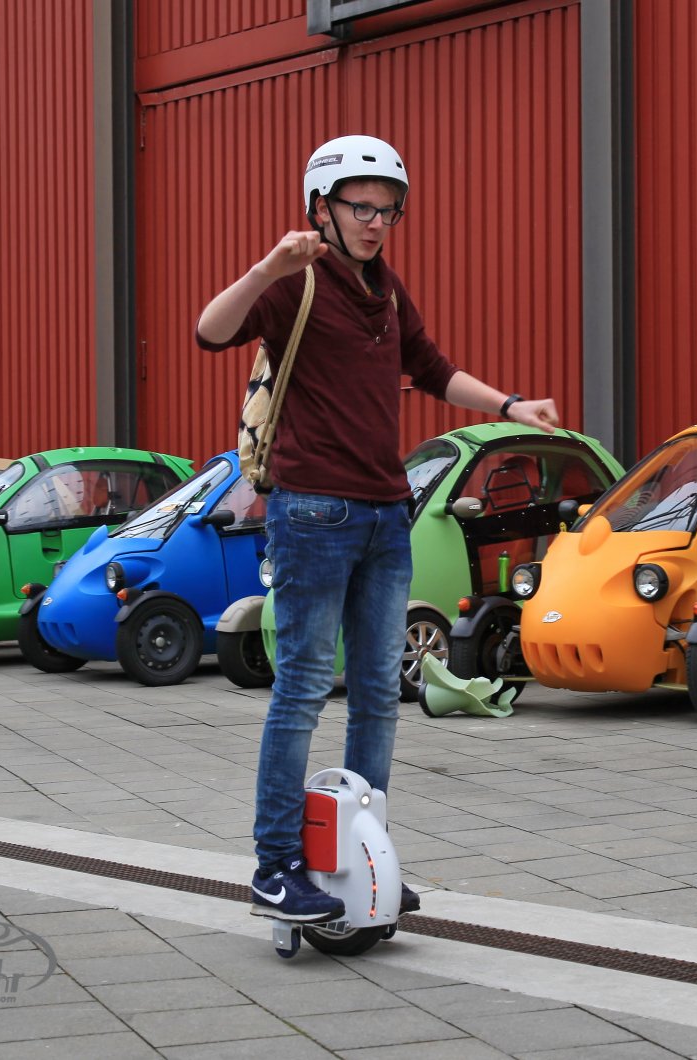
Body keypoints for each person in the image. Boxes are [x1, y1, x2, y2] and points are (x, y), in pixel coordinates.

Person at [197, 135, 559, 923]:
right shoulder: (293, 281)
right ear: (319, 208)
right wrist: (265, 268)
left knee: (377, 695)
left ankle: (365, 853)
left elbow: (431, 368)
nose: (375, 222)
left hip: (386, 513)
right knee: (301, 690)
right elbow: (210, 331)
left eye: (388, 210)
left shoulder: (386, 290)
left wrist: (510, 406)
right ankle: (275, 869)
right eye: (360, 207)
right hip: (312, 512)